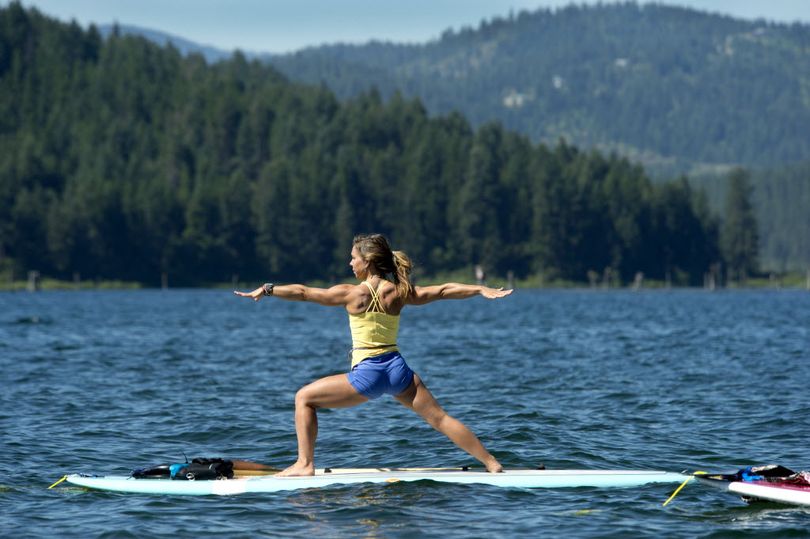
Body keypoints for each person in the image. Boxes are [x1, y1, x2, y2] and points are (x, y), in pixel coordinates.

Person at [234, 233, 511, 476]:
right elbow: (442, 290)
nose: (350, 263)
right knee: (439, 418)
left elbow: (305, 293)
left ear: (367, 262)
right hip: (398, 371)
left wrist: (268, 289)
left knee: (304, 398)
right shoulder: (400, 291)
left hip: (369, 373)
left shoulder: (352, 293)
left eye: (353, 258)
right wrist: (478, 288)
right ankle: (490, 462)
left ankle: (305, 464)